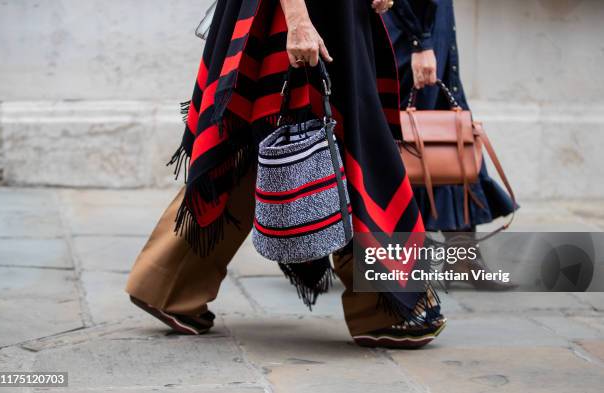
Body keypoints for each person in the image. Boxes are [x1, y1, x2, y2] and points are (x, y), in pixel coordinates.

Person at [125, 0, 446, 349]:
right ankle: (387, 308)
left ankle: (165, 283)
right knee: (327, 144)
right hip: (294, 14)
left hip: (327, 15)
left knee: (267, 146)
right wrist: (298, 20)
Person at [384, 0, 518, 289]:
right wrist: (421, 42)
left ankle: (462, 256)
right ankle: (385, 260)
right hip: (412, 28)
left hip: (432, 25)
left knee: (453, 138)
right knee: (408, 146)